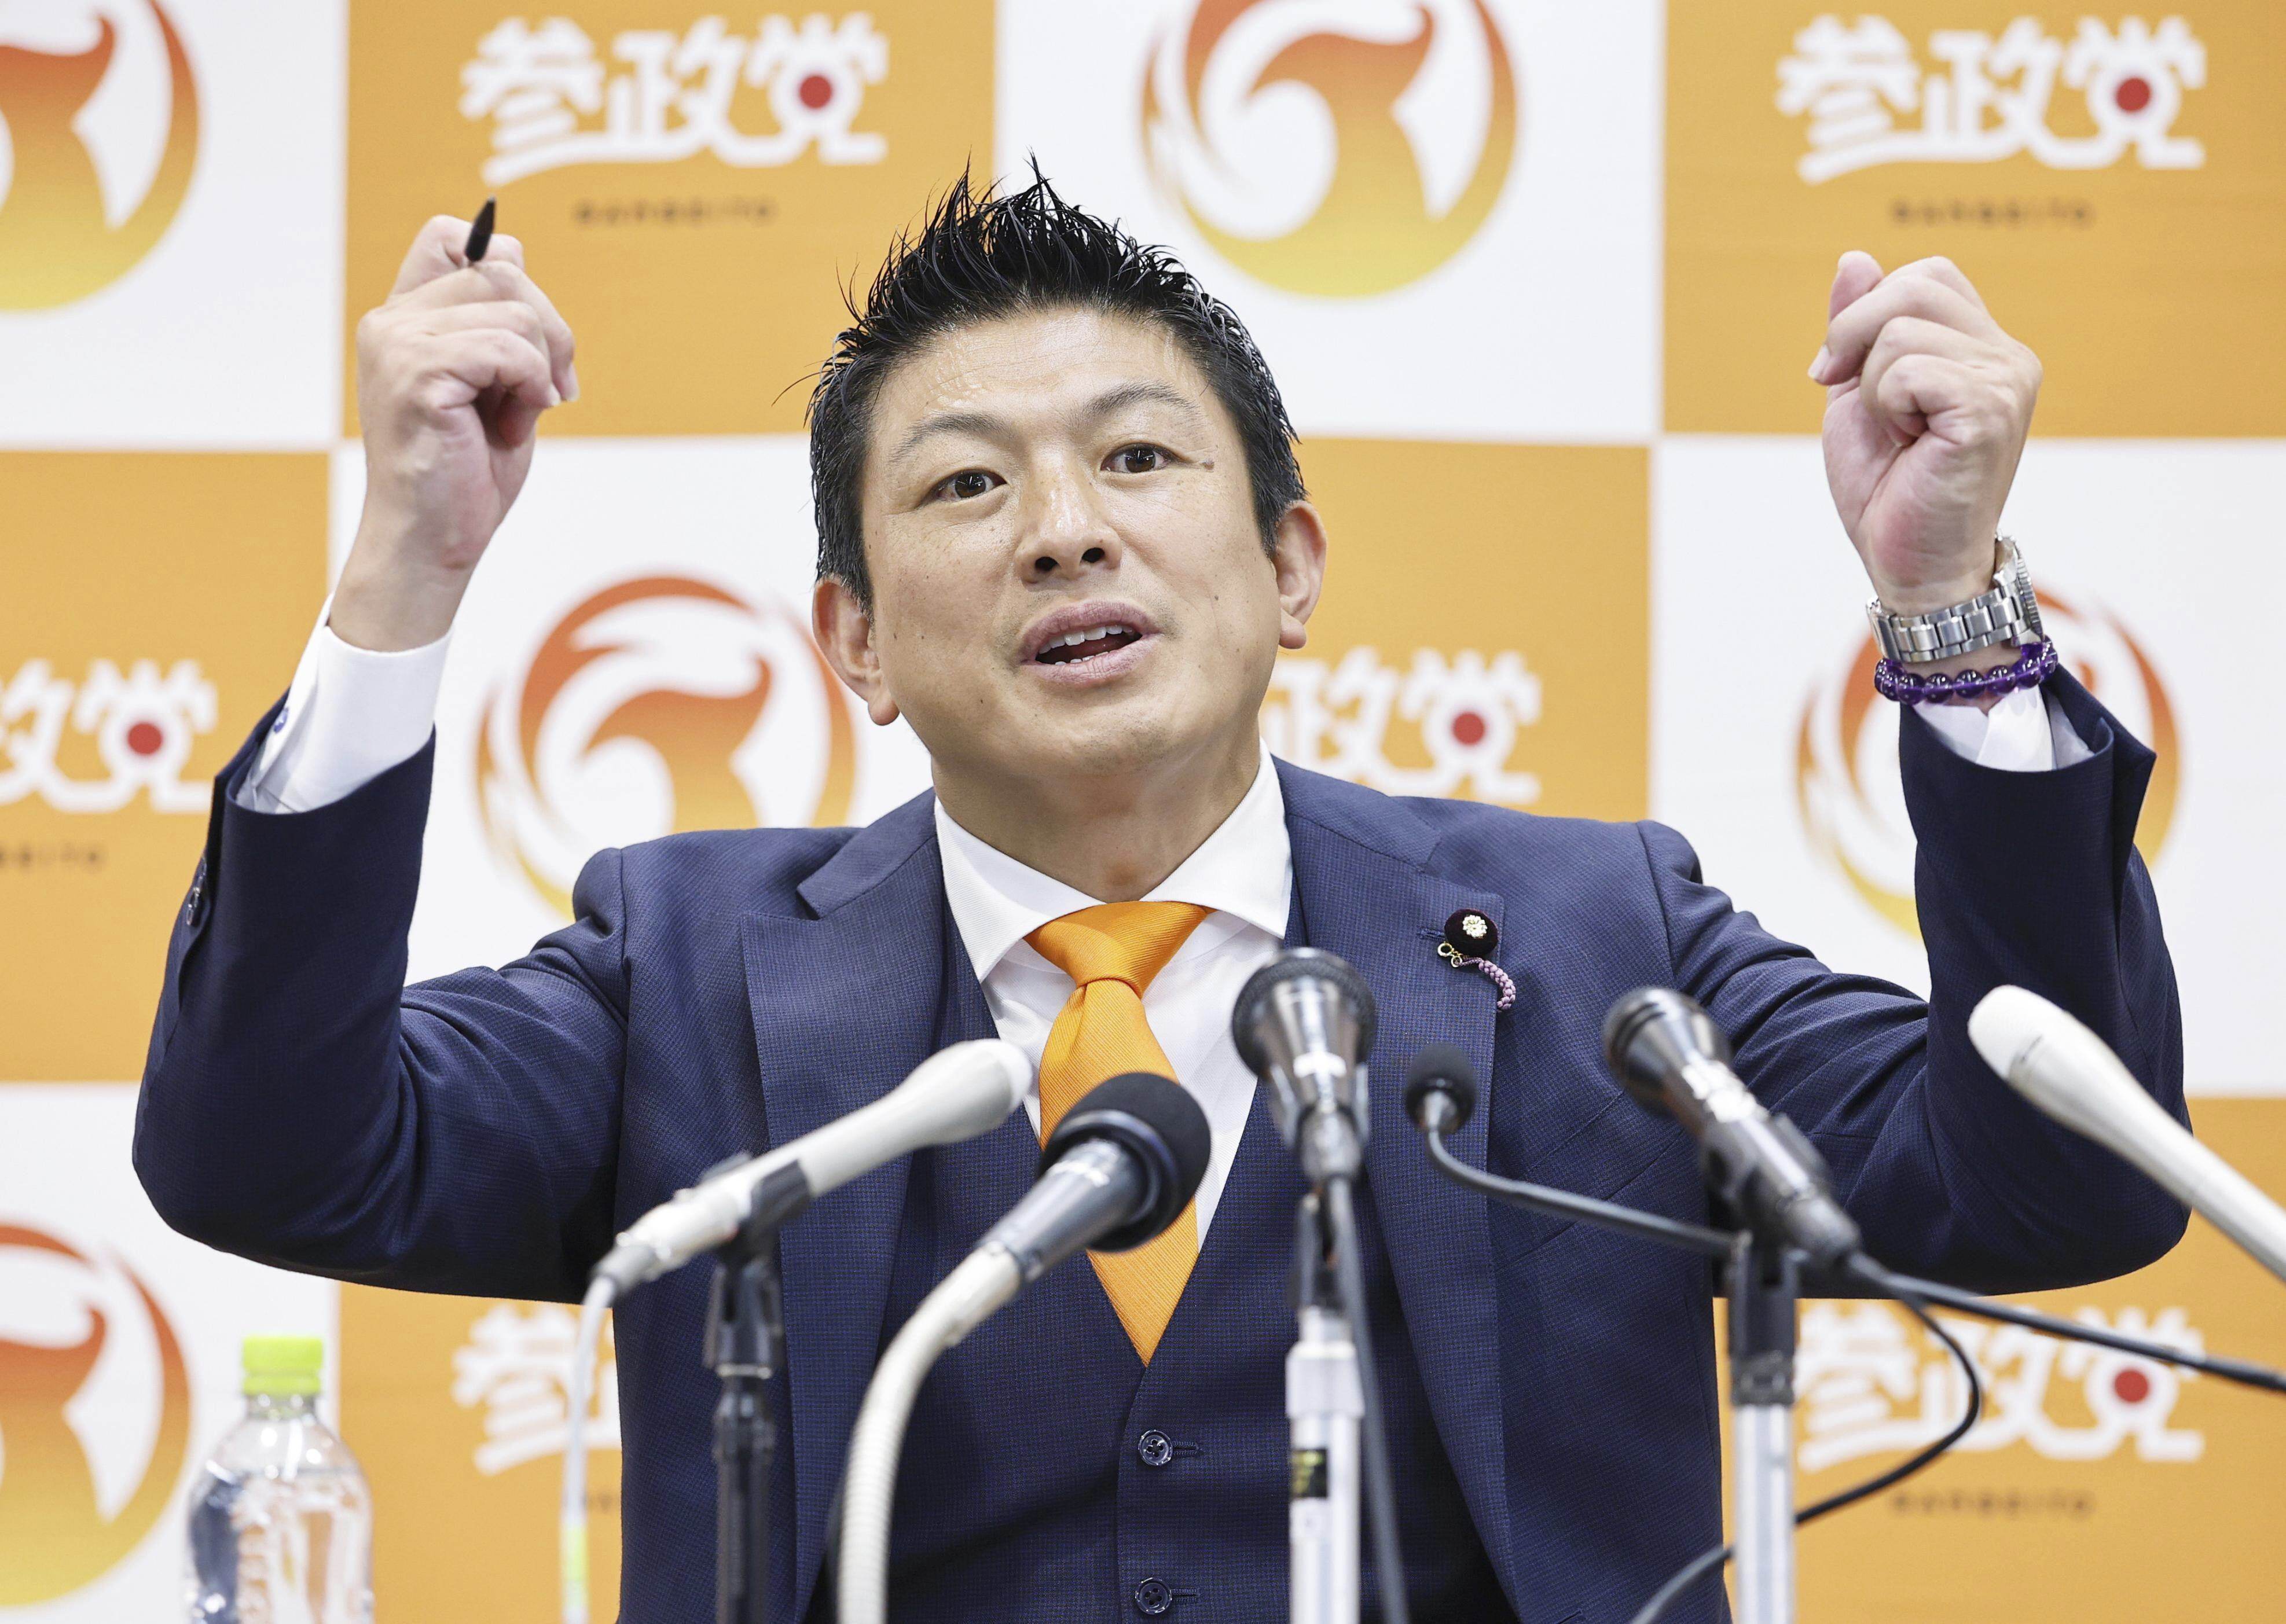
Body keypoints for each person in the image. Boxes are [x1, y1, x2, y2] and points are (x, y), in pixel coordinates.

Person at [136, 174, 2185, 1623]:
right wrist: (403, 574)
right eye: (966, 484)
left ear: (1291, 568)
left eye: (1138, 460)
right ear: (854, 643)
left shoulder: (1589, 940)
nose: (1062, 533)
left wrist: (1951, 610)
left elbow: (2058, 1187)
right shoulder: (682, 967)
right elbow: (270, 1159)